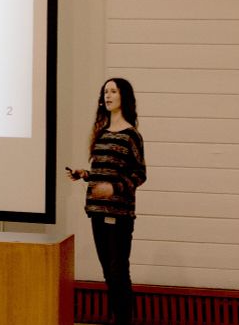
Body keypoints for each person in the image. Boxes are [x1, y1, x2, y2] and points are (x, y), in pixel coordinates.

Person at [68, 77, 146, 325]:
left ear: (124, 96)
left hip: (119, 214)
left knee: (118, 271)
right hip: (97, 211)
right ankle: (115, 318)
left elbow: (140, 174)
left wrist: (114, 187)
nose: (108, 96)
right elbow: (104, 171)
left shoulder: (130, 135)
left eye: (113, 91)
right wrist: (84, 174)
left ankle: (123, 320)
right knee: (108, 273)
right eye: (105, 92)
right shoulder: (101, 132)